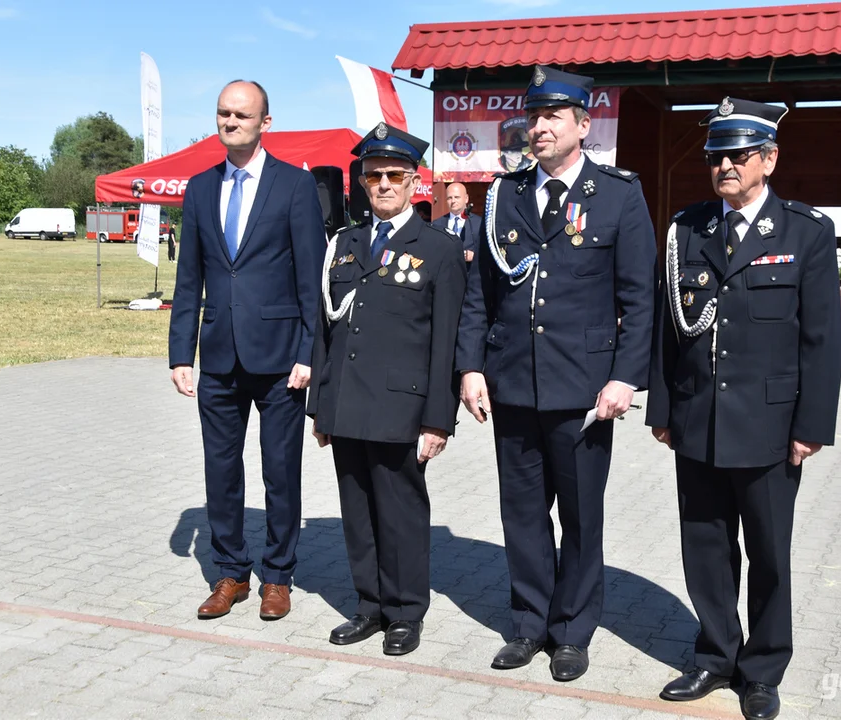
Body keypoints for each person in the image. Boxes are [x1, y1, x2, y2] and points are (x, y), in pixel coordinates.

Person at [456, 65, 657, 682]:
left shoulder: (619, 195)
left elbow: (639, 298)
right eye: (533, 116)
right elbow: (478, 295)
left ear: (582, 125)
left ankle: (572, 631)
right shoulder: (503, 196)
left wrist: (626, 377)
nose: (539, 127)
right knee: (520, 513)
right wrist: (469, 367)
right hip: (512, 380)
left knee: (579, 514)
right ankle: (528, 623)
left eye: (553, 117)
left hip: (584, 391)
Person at [646, 97, 841, 720]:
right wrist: (662, 409)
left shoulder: (805, 232)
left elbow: (821, 340)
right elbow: (665, 331)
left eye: (738, 155)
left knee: (769, 552)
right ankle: (714, 654)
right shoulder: (688, 229)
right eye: (715, 155)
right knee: (705, 547)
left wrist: (810, 426)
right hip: (698, 420)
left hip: (768, 425)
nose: (725, 165)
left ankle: (762, 669)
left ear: (769, 159)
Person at [168, 80, 327, 622]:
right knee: (220, 469)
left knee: (280, 470)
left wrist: (310, 351)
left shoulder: (293, 187)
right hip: (216, 357)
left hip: (282, 357)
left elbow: (312, 278)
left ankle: (277, 575)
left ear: (265, 122)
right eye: (223, 113)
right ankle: (231, 573)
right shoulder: (199, 187)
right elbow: (189, 277)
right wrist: (179, 354)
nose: (230, 122)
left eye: (241, 114)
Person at [307, 122, 466, 657]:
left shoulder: (438, 248)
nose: (381, 185)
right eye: (372, 175)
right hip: (347, 402)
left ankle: (404, 612)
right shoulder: (344, 245)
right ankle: (369, 605)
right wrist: (320, 407)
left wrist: (438, 420)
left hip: (403, 407)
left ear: (414, 180)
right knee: (357, 508)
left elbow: (445, 343)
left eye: (393, 175)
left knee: (400, 512)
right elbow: (324, 332)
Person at [431, 182, 481, 268]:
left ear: (466, 198)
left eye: (457, 197)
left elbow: (487, 252)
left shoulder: (479, 223)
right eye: (449, 198)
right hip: (446, 276)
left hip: (469, 275)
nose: (453, 201)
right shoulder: (436, 224)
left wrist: (475, 256)